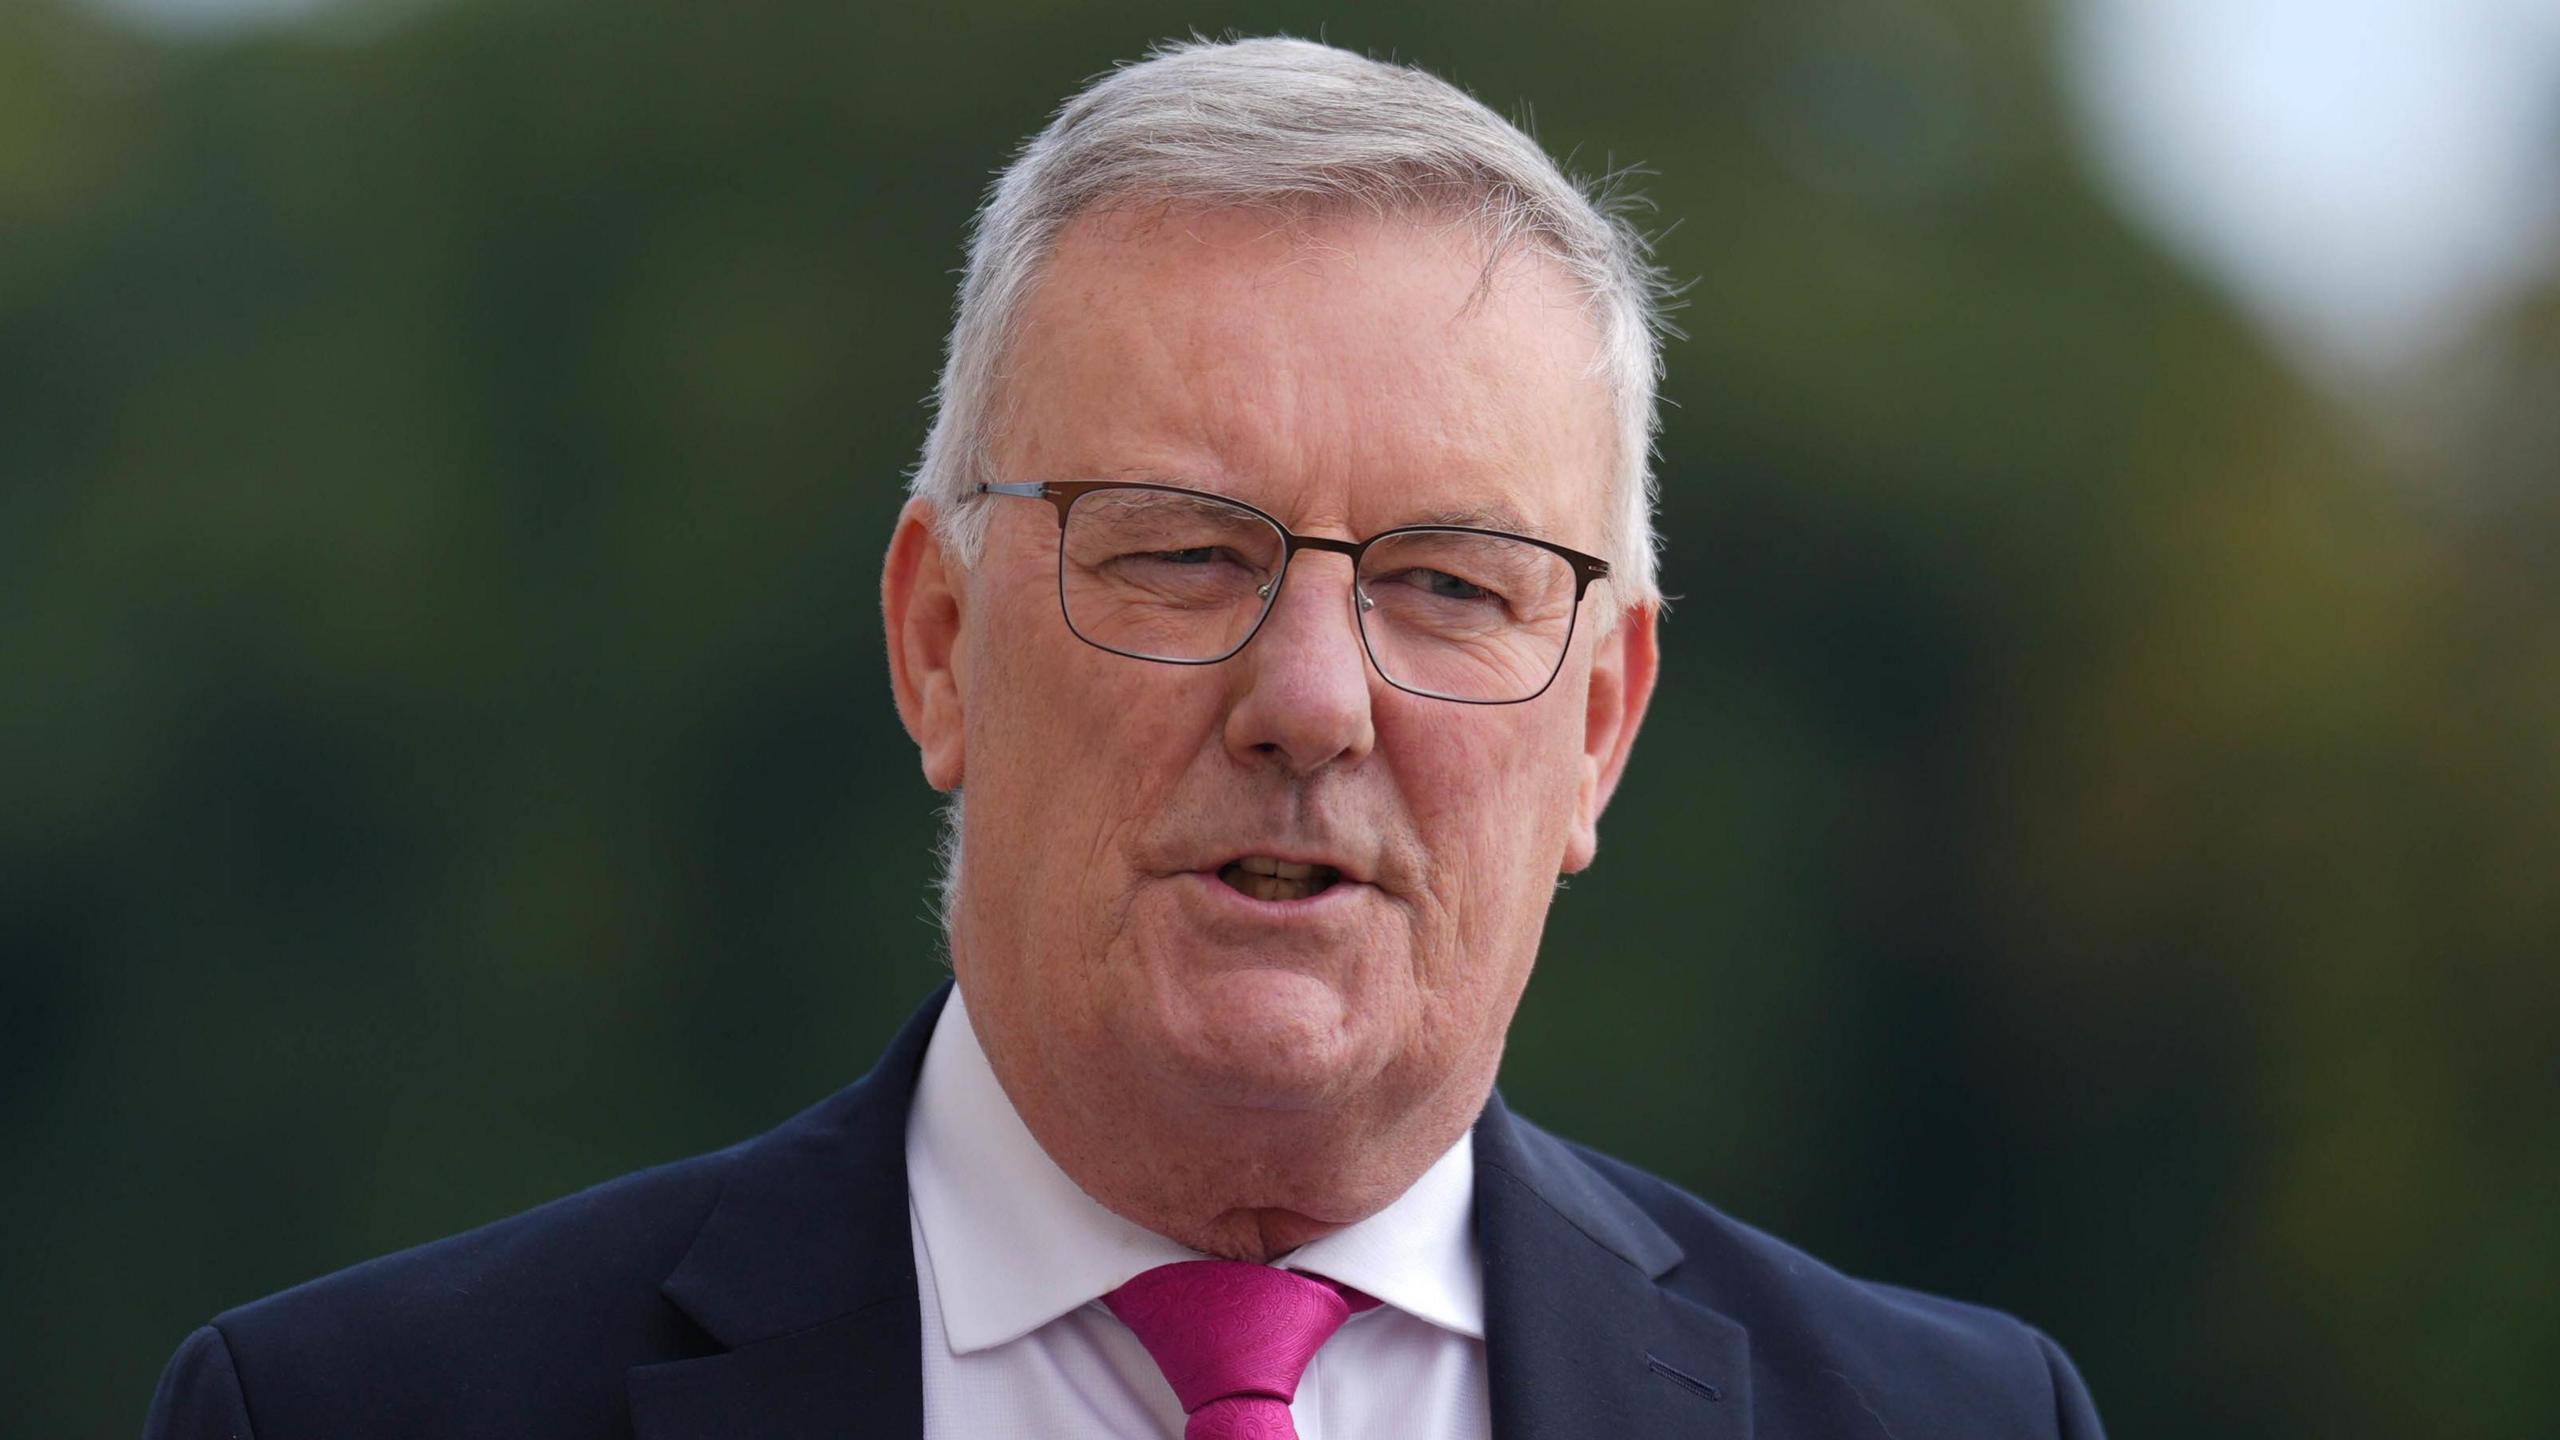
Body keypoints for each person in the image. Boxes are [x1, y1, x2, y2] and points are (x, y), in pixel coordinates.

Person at [146, 36, 2104, 1440]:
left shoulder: (1945, 1418)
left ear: (1596, 725)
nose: (1313, 703)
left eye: (1447, 586)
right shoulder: (352, 1410)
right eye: (1181, 555)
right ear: (934, 643)